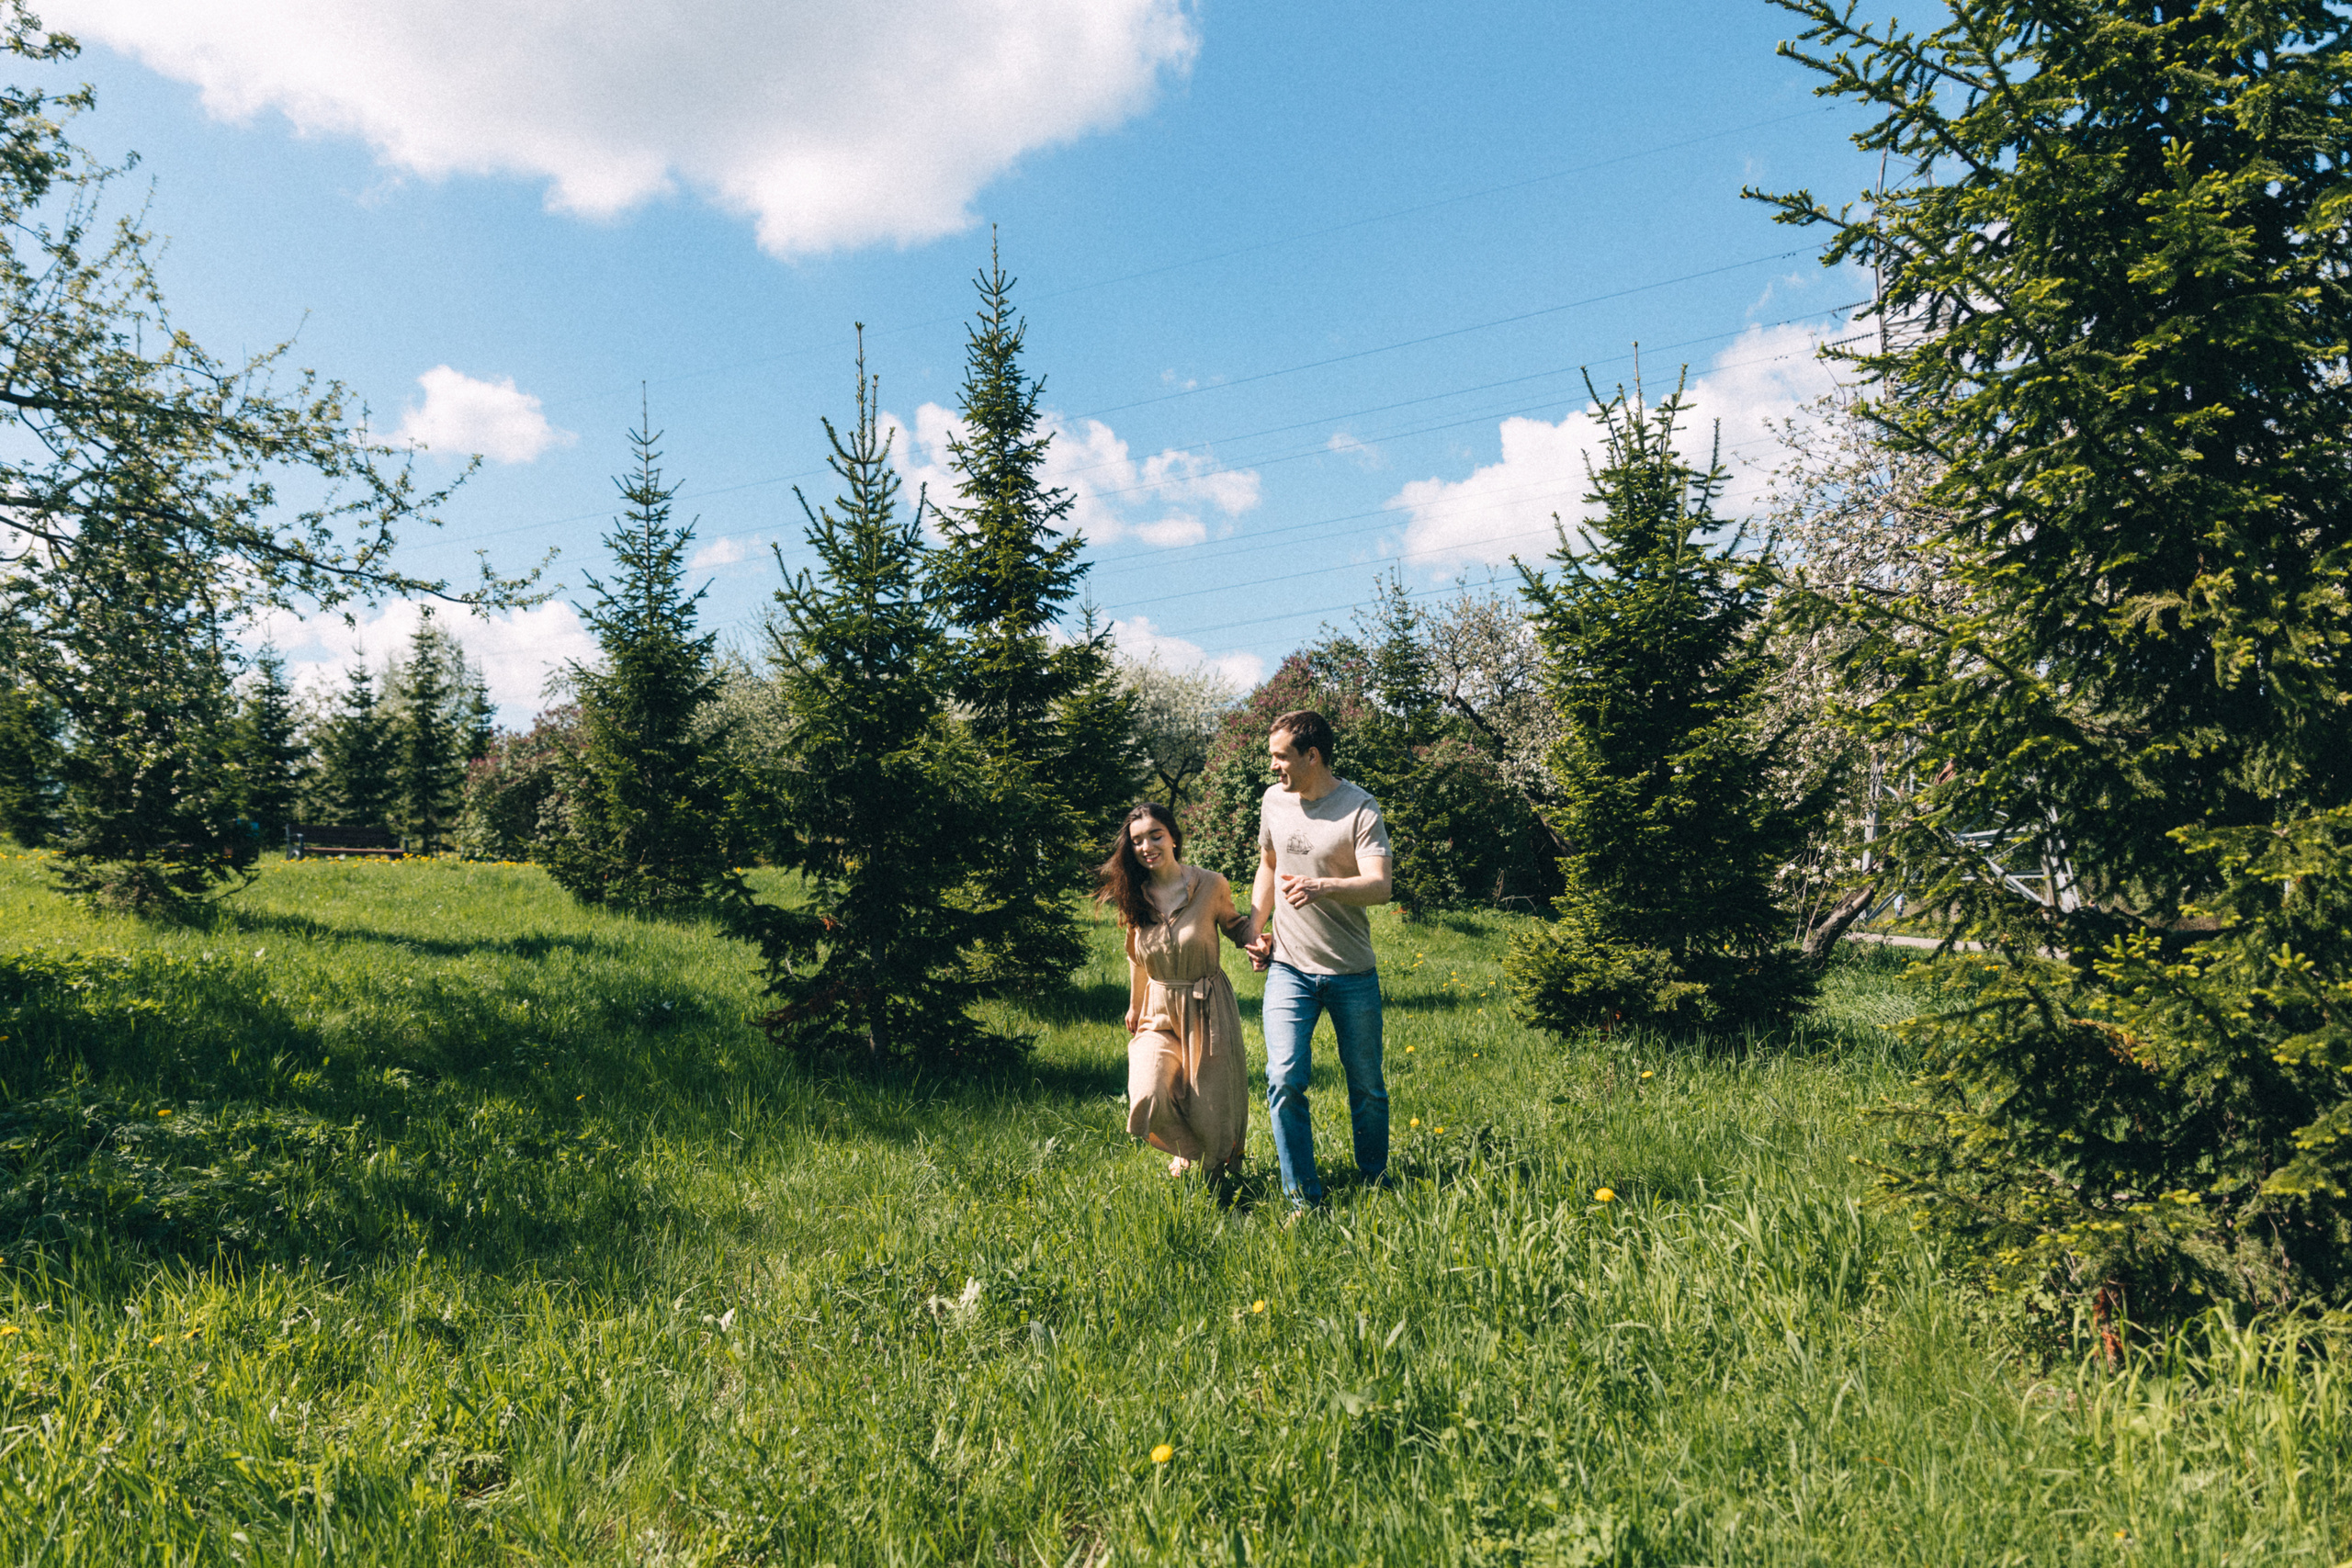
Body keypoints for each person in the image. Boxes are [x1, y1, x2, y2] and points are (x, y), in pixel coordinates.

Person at [1242, 709, 1395, 1207]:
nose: (1273, 767)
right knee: (1284, 1077)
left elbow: (1380, 885)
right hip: (1289, 967)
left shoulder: (1359, 808)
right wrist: (1255, 928)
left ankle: (1374, 1178)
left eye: (1281, 757)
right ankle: (1302, 1197)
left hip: (1351, 972)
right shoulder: (1273, 801)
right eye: (1272, 757)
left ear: (1313, 755)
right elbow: (1269, 864)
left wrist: (1322, 886)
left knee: (1367, 1086)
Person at [1096, 801, 1255, 1178]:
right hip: (1158, 1007)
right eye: (1137, 841)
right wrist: (1135, 1006)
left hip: (1207, 1005)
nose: (1146, 846)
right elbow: (1136, 956)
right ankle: (1190, 1151)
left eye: (1155, 835)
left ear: (1173, 838)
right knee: (1148, 1092)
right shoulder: (1134, 893)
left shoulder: (1211, 884)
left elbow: (1235, 925)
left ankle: (1220, 1174)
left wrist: (1258, 939)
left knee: (1212, 1103)